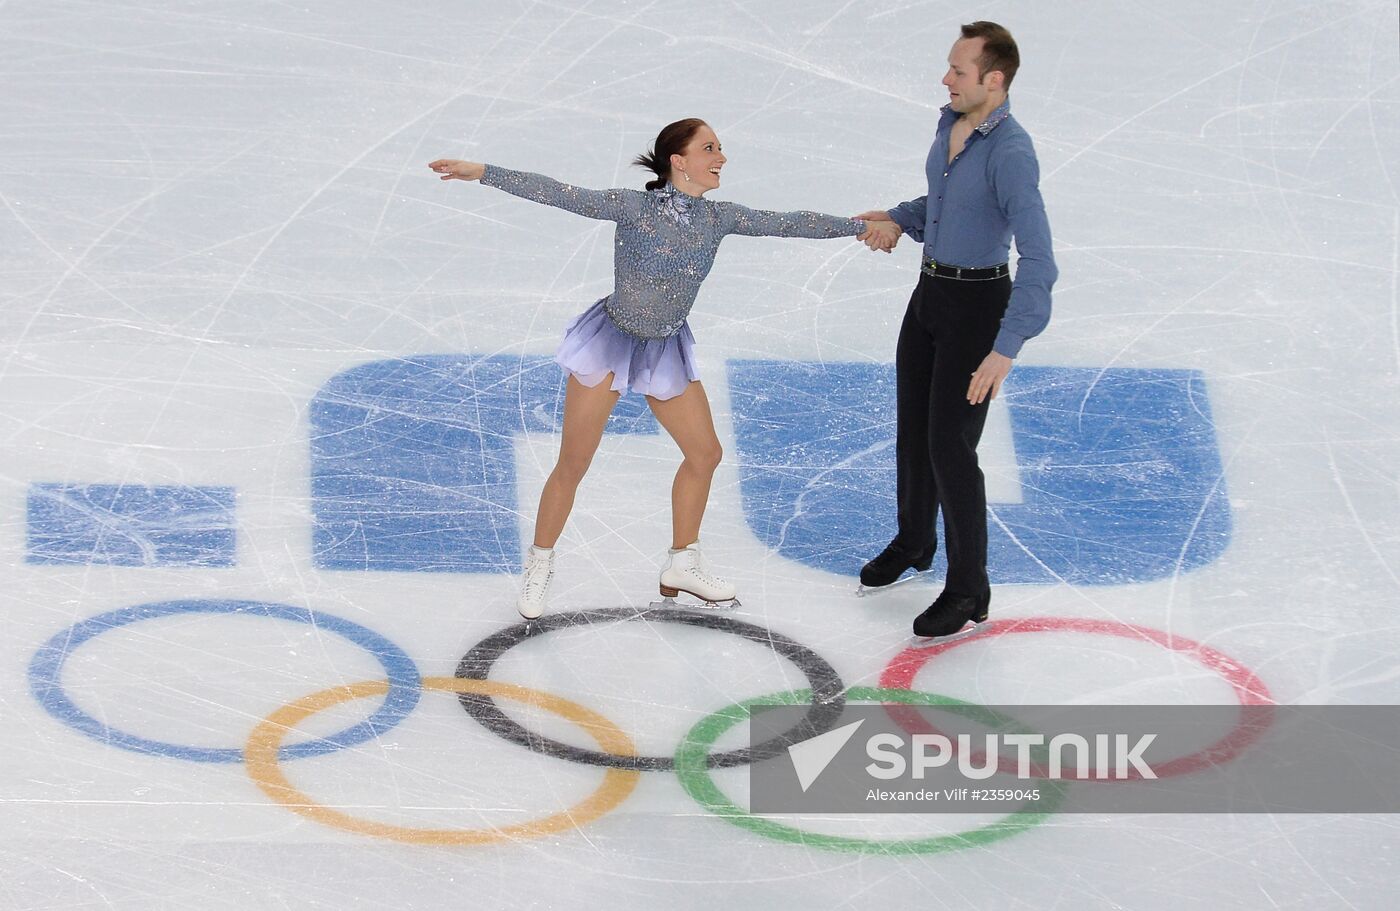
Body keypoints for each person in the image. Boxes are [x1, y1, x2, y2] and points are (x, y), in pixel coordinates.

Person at [430, 119, 900, 619]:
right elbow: (558, 193)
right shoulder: (632, 207)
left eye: (720, 149)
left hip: (664, 347)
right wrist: (482, 171)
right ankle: (540, 563)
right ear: (679, 160)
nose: (721, 157)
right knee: (574, 464)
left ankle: (682, 562)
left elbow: (788, 221)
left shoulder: (717, 218)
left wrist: (859, 227)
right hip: (611, 343)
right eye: (710, 148)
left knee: (705, 453)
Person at [854, 21, 1057, 638]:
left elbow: (1041, 259)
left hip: (977, 310)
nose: (946, 80)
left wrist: (1005, 348)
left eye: (958, 72)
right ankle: (916, 540)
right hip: (930, 294)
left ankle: (970, 588)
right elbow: (942, 206)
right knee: (914, 428)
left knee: (951, 447)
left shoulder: (1012, 154)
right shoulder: (951, 124)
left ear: (994, 81)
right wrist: (897, 216)